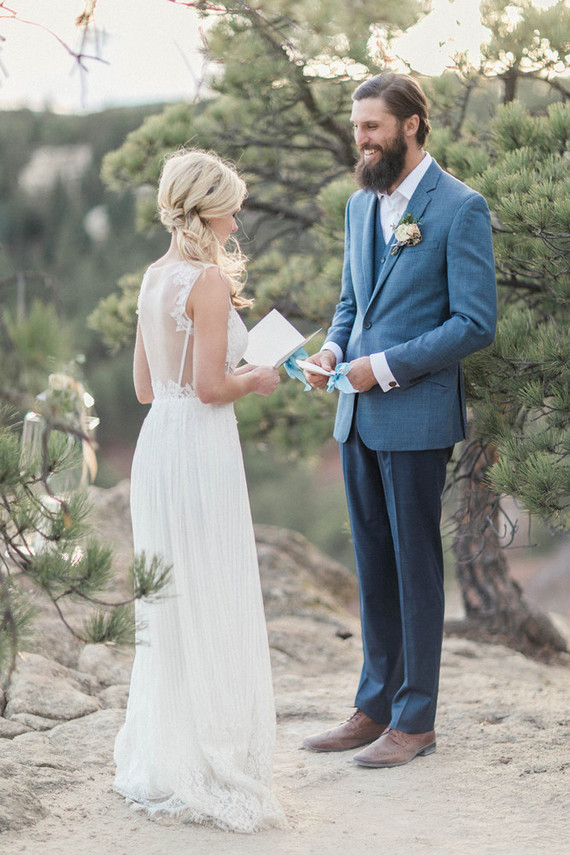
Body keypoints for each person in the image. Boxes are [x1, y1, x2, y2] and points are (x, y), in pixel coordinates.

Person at [302, 72, 497, 768]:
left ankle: (416, 721)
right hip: (355, 415)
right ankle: (374, 705)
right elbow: (351, 303)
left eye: (372, 127)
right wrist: (332, 349)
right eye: (357, 127)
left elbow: (475, 323)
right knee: (373, 566)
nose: (360, 139)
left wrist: (381, 367)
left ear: (411, 125)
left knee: (415, 568)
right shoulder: (360, 206)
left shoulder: (461, 208)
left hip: (414, 416)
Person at [114, 149, 286, 832]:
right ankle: (211, 753)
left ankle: (165, 751)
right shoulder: (207, 283)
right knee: (210, 589)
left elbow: (145, 388)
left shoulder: (154, 277)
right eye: (231, 205)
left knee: (170, 602)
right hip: (202, 446)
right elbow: (215, 387)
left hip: (160, 442)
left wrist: (217, 375)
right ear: (205, 208)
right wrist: (258, 376)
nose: (236, 217)